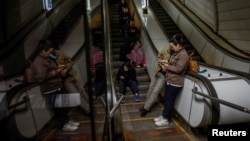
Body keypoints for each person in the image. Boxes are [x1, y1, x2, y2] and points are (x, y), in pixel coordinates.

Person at [30, 40, 79, 132]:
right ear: (43, 51)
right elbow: (41, 77)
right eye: (49, 52)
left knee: (63, 105)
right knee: (58, 109)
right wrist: (56, 72)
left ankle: (67, 121)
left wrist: (58, 68)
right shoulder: (38, 61)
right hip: (50, 88)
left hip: (57, 85)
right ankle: (64, 125)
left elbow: (52, 67)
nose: (50, 54)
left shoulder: (47, 58)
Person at [153, 34, 189, 127]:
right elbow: (172, 63)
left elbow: (179, 69)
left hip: (176, 82)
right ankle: (164, 115)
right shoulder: (175, 52)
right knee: (167, 99)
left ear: (178, 45)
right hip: (170, 80)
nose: (171, 48)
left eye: (172, 46)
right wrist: (166, 63)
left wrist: (167, 66)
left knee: (170, 101)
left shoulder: (183, 54)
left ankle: (166, 119)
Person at [50, 43, 90, 115]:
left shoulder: (59, 53)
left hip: (71, 75)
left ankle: (90, 105)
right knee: (76, 95)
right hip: (64, 81)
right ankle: (88, 109)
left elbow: (70, 61)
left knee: (82, 90)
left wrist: (65, 69)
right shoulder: (48, 60)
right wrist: (58, 72)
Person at [139, 45, 171, 117]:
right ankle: (146, 105)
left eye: (172, 45)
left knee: (155, 91)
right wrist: (162, 63)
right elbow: (158, 57)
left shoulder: (176, 54)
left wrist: (168, 65)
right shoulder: (165, 48)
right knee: (151, 89)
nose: (170, 46)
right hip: (157, 71)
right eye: (170, 45)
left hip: (164, 75)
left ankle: (146, 108)